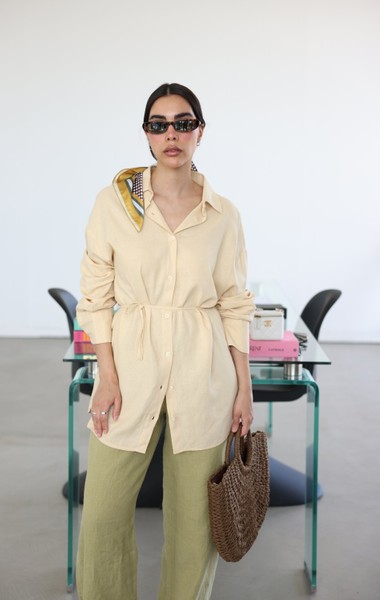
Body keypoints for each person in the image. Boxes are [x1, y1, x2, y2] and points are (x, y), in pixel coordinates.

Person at [75, 82, 256, 600]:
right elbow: (96, 295)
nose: (171, 134)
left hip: (205, 377)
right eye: (159, 125)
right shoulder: (115, 204)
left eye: (183, 123)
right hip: (130, 375)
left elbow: (233, 303)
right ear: (147, 134)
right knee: (103, 514)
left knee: (195, 526)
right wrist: (107, 376)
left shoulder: (223, 214)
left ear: (200, 131)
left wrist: (244, 389)